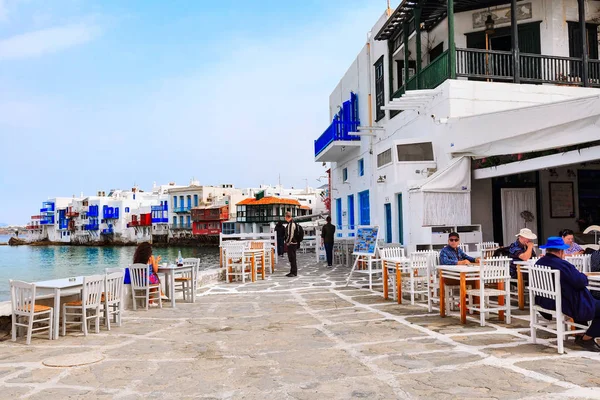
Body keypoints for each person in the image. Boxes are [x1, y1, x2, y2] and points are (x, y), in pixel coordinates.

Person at [535, 237, 600, 352]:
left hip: (546, 300)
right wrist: (583, 276)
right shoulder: (562, 264)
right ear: (561, 251)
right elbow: (580, 281)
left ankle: (580, 334)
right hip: (563, 302)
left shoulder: (539, 262)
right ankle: (587, 338)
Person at [284, 212, 298, 277]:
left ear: (287, 217)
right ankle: (293, 271)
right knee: (293, 258)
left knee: (292, 258)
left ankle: (293, 272)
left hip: (292, 243)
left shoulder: (291, 224)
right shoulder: (293, 223)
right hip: (294, 243)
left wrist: (287, 242)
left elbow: (290, 234)